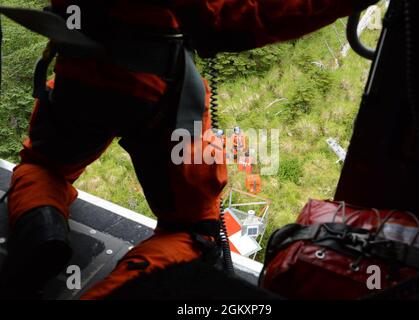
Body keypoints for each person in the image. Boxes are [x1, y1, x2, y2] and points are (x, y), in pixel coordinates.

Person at [0, 0, 379, 299]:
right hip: (155, 90)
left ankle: (41, 228)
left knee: (45, 165)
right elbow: (226, 19)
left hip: (78, 73)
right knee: (194, 229)